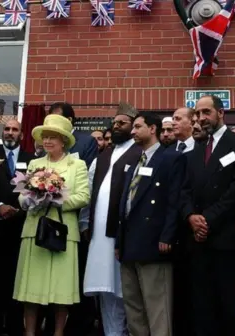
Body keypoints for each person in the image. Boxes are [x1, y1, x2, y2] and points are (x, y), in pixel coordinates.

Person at [180, 95, 235, 336]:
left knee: (230, 306)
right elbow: (184, 190)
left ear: (220, 113)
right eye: (198, 113)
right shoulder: (195, 150)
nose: (202, 118)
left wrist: (207, 220)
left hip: (226, 240)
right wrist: (191, 216)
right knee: (203, 307)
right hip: (198, 242)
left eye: (206, 112)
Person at [12, 114, 90, 336]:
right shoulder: (35, 164)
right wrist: (32, 199)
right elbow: (21, 196)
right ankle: (30, 333)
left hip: (63, 231)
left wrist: (55, 199)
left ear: (63, 140)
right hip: (35, 229)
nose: (47, 141)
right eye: (45, 137)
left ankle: (58, 333)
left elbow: (84, 197)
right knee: (30, 288)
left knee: (61, 288)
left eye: (53, 137)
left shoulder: (77, 164)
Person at [117, 112, 184, 336]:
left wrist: (168, 236)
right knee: (134, 309)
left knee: (158, 309)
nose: (133, 131)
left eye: (137, 127)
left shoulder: (170, 158)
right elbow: (126, 203)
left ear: (152, 129)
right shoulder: (136, 160)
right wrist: (119, 241)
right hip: (129, 245)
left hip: (154, 244)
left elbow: (174, 201)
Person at [83, 103, 142, 336]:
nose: (116, 127)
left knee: (126, 290)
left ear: (133, 127)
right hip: (99, 235)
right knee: (106, 290)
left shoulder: (140, 152)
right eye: (114, 123)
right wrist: (85, 223)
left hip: (124, 235)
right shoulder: (103, 156)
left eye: (122, 123)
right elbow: (89, 192)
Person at [44, 102, 98, 335]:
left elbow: (85, 184)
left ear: (70, 121)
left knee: (68, 280)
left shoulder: (86, 143)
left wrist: (58, 195)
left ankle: (73, 327)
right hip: (43, 220)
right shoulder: (42, 151)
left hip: (71, 220)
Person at [0, 119, 34, 336]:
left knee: (16, 279)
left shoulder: (32, 160)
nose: (10, 133)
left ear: (21, 134)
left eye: (15, 130)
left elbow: (32, 190)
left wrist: (19, 210)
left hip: (19, 227)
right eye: (7, 130)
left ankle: (13, 327)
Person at [49, 102, 98, 167]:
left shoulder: (87, 142)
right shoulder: (48, 140)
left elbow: (90, 170)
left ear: (69, 120)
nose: (53, 123)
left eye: (57, 119)